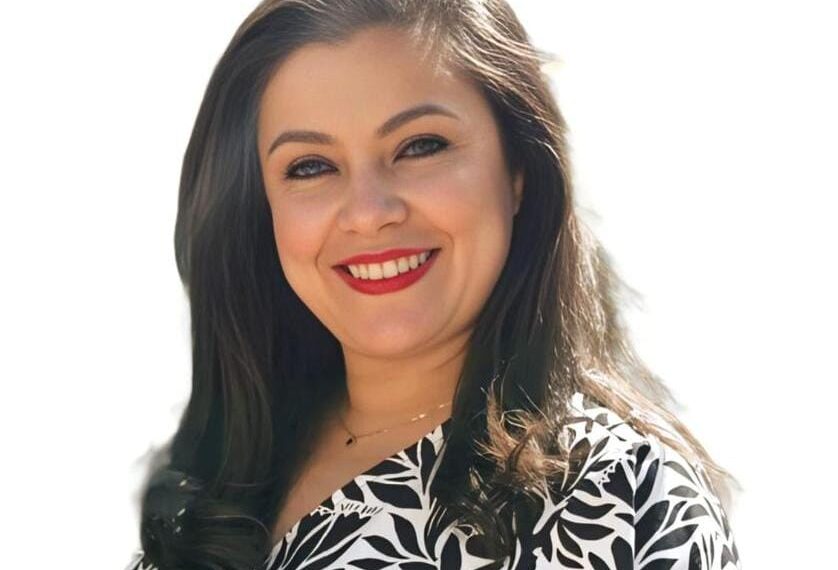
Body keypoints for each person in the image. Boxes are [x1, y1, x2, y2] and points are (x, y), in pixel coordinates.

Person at [126, 1, 742, 568]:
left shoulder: (624, 497)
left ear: (519, 170)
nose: (368, 212)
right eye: (310, 166)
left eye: (420, 146)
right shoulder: (220, 481)